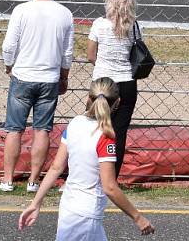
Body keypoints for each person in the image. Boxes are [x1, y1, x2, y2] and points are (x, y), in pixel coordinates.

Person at [18, 78, 155, 239]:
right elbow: (109, 186)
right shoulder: (105, 137)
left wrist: (36, 203)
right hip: (86, 215)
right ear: (117, 102)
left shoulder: (75, 123)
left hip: (69, 207)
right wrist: (138, 218)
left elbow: (56, 168)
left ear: (88, 99)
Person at [0, 0, 74, 193]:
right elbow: (67, 52)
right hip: (49, 78)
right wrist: (64, 76)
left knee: (15, 129)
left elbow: (9, 45)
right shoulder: (65, 14)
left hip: (23, 76)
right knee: (42, 130)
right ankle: (33, 181)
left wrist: (9, 65)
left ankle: (8, 180)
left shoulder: (21, 10)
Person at [88, 0, 139, 178]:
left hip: (103, 81)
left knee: (95, 127)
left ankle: (91, 172)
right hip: (126, 82)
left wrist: (102, 64)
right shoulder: (133, 26)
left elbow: (90, 54)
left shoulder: (99, 24)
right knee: (119, 132)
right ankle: (112, 177)